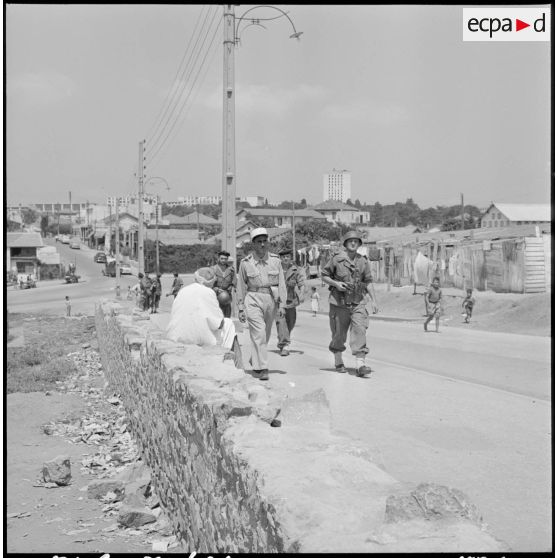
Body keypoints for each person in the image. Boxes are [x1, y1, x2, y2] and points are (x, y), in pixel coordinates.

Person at [321, 230, 379, 377]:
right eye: (350, 241)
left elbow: (368, 282)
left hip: (358, 301)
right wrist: (336, 283)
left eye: (356, 241)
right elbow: (324, 275)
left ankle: (360, 364)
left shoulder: (363, 261)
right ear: (346, 243)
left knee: (360, 329)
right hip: (339, 302)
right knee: (339, 334)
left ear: (359, 244)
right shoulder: (336, 259)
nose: (353, 243)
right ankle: (338, 359)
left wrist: (374, 301)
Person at [236, 228, 287, 381]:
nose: (263, 244)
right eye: (259, 242)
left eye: (265, 241)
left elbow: (282, 284)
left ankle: (256, 360)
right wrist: (240, 308)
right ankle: (262, 368)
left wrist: (282, 305)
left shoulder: (276, 261)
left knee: (266, 334)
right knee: (259, 333)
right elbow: (240, 286)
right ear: (253, 244)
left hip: (270, 299)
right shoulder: (245, 263)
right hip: (252, 298)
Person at [166, 266, 242, 368]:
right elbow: (218, 324)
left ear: (196, 279)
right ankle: (237, 367)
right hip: (198, 340)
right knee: (229, 324)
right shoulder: (208, 292)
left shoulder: (183, 291)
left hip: (175, 337)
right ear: (211, 282)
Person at [275, 248, 306, 356]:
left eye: (287, 256)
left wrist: (301, 295)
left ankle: (283, 339)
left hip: (291, 301)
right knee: (281, 322)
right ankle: (285, 345)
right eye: (283, 257)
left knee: (291, 323)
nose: (285, 258)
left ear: (290, 258)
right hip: (279, 301)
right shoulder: (276, 269)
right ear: (280, 258)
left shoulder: (295, 270)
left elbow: (301, 283)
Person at [212, 250, 237, 318]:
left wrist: (232, 285)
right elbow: (209, 283)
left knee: (227, 317)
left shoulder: (231, 269)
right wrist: (216, 289)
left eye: (225, 259)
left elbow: (234, 281)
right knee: (217, 317)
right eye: (222, 258)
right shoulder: (213, 269)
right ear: (218, 259)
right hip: (216, 297)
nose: (223, 260)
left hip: (227, 296)